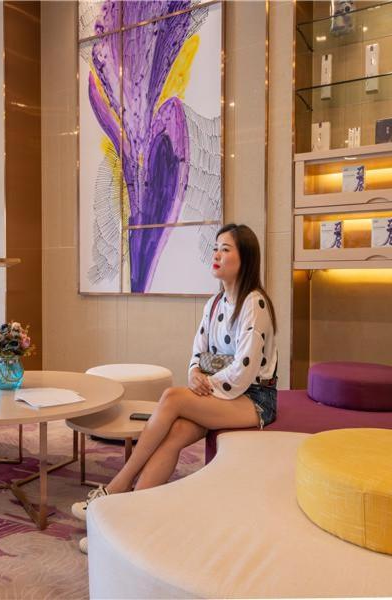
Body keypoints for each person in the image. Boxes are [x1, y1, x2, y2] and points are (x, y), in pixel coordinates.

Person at [72, 223, 278, 553]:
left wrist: (204, 383)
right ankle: (129, 522)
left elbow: (244, 368)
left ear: (246, 258)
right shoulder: (214, 303)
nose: (216, 255)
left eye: (226, 249)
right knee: (176, 433)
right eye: (215, 248)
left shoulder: (255, 304)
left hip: (253, 399)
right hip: (221, 393)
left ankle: (117, 486)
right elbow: (199, 350)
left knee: (171, 397)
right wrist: (195, 371)